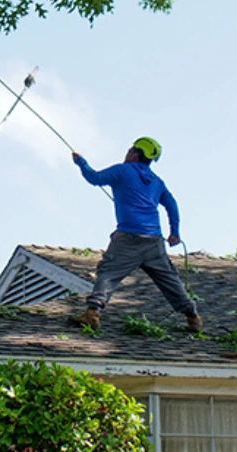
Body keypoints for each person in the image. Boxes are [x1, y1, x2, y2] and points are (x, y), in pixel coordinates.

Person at [69, 137, 202, 333]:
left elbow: (94, 178)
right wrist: (174, 232)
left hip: (128, 237)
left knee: (108, 272)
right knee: (169, 280)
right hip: (154, 241)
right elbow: (172, 204)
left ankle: (92, 313)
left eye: (129, 150)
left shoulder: (123, 170)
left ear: (134, 153)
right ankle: (193, 316)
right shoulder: (156, 182)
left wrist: (80, 161)